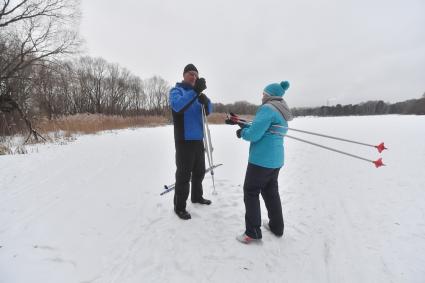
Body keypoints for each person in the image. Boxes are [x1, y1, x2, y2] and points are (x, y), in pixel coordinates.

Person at [230, 81, 293, 243]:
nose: (262, 96)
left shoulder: (267, 108)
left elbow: (254, 134)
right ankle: (277, 227)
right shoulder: (281, 110)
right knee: (270, 192)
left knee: (251, 191)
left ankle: (252, 232)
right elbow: (264, 128)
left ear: (270, 95)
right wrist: (241, 122)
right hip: (276, 160)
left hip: (261, 160)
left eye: (264, 94)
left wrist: (242, 132)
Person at [169, 64, 213, 220]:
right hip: (184, 140)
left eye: (196, 75)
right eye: (190, 74)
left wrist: (205, 99)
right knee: (183, 175)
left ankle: (197, 196)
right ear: (184, 75)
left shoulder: (197, 94)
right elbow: (178, 106)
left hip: (198, 139)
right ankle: (179, 207)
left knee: (199, 172)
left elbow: (209, 111)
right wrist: (195, 92)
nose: (194, 77)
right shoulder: (176, 91)